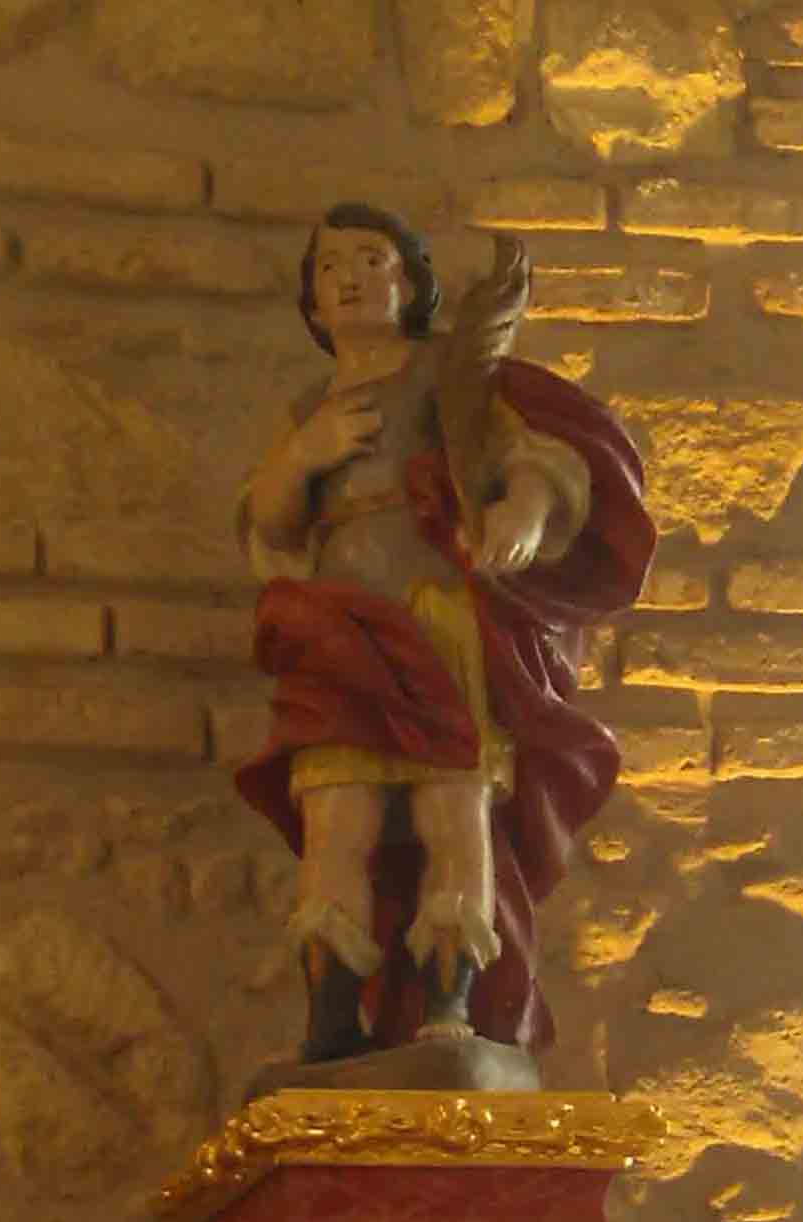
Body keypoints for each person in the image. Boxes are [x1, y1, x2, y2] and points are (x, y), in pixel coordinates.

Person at [235, 202, 655, 1063]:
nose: (350, 279)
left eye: (371, 260)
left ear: (412, 284)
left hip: (437, 617)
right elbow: (273, 527)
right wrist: (302, 457)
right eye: (329, 267)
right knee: (337, 818)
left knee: (451, 810)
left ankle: (451, 1004)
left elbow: (537, 458)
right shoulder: (310, 407)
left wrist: (523, 511)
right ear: (310, 302)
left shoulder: (450, 380)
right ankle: (333, 1016)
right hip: (338, 629)